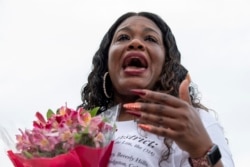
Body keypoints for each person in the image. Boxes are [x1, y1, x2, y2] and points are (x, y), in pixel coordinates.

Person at [79, 12, 234, 167]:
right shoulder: (81, 128)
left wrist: (200, 150)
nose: (135, 43)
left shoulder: (192, 120)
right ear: (107, 62)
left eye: (151, 39)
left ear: (165, 64)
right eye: (123, 37)